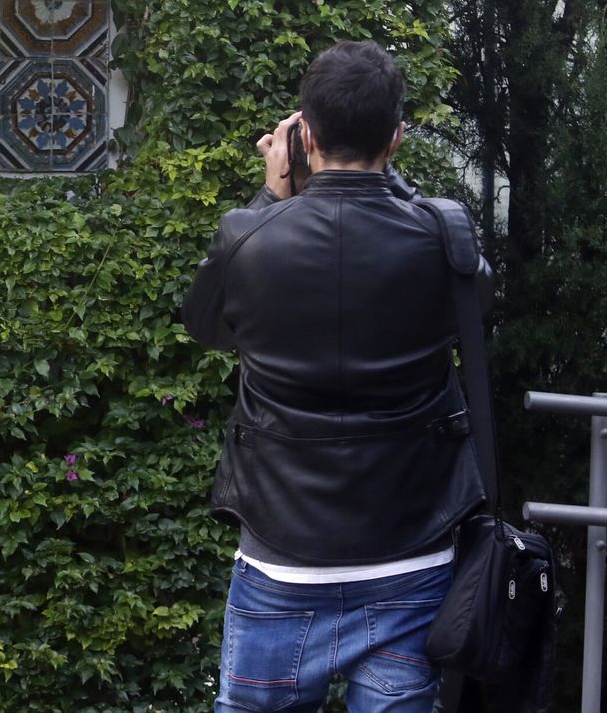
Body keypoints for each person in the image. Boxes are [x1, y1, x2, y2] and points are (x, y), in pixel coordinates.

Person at [182, 40, 491, 713]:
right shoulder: (442, 239)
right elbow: (478, 304)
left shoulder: (248, 238)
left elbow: (206, 324)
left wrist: (273, 192)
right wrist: (389, 178)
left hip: (280, 557)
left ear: (306, 135)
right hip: (411, 551)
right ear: (397, 135)